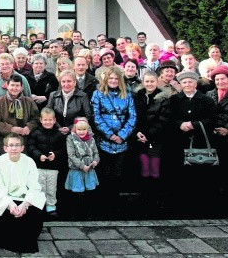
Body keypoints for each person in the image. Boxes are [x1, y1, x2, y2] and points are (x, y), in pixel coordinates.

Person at [166, 71, 217, 214]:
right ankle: (181, 204)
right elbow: (169, 117)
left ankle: (200, 205)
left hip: (199, 141)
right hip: (179, 142)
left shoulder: (207, 100)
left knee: (199, 173)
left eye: (190, 82)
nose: (187, 85)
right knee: (180, 174)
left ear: (196, 83)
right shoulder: (174, 99)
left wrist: (194, 124)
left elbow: (212, 119)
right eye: (184, 82)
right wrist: (179, 124)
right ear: (180, 84)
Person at [0, 133, 46, 253]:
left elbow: (34, 186)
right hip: (7, 201)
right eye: (11, 145)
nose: (14, 148)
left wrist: (25, 205)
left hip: (25, 200)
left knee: (38, 204)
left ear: (22, 147)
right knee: (7, 227)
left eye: (17, 145)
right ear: (5, 148)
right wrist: (10, 204)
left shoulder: (29, 162)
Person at [91, 66, 136, 207]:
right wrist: (110, 134)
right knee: (104, 171)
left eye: (116, 78)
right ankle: (103, 200)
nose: (113, 81)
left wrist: (121, 135)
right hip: (104, 139)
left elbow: (132, 116)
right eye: (110, 78)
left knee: (117, 172)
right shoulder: (97, 94)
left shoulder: (127, 95)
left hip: (122, 140)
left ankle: (114, 201)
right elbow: (96, 116)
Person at [133, 71, 170, 207]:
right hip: (139, 137)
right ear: (143, 82)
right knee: (143, 166)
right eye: (147, 81)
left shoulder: (164, 99)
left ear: (157, 82)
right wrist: (137, 133)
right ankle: (144, 196)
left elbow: (163, 119)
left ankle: (154, 196)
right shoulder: (137, 97)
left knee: (154, 166)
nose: (149, 84)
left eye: (152, 81)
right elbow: (133, 116)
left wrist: (149, 134)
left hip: (156, 138)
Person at [27, 108, 66, 217]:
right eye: (45, 120)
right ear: (41, 120)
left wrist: (56, 155)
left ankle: (51, 206)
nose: (48, 122)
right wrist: (39, 156)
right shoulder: (36, 133)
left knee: (52, 188)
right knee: (40, 187)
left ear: (54, 120)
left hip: (53, 167)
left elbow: (63, 149)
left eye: (50, 120)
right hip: (39, 166)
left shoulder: (59, 134)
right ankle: (40, 205)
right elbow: (30, 146)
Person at [0, 75, 39, 153]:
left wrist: (29, 127)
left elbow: (36, 118)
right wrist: (11, 129)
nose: (14, 88)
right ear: (7, 85)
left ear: (22, 87)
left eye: (17, 85)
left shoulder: (29, 101)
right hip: (5, 139)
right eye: (12, 85)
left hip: (25, 139)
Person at [64, 118, 99, 218]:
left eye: (84, 129)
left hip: (90, 168)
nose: (82, 132)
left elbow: (96, 152)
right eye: (79, 129)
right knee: (77, 192)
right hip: (77, 169)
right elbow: (71, 155)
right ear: (75, 129)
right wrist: (82, 166)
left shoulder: (91, 139)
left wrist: (95, 160)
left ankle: (88, 212)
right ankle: (75, 212)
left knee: (89, 192)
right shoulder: (70, 138)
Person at [47, 69, 91, 134]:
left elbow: (88, 116)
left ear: (75, 82)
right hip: (56, 130)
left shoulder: (83, 96)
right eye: (63, 81)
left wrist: (70, 128)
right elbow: (48, 113)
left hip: (77, 132)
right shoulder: (53, 95)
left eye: (69, 81)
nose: (66, 84)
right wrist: (58, 127)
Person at [207, 65, 228, 196]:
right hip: (213, 135)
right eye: (217, 79)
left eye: (223, 79)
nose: (220, 82)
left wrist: (227, 129)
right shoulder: (209, 94)